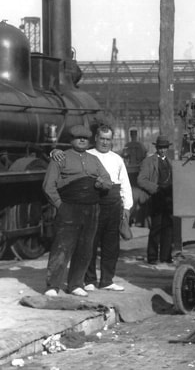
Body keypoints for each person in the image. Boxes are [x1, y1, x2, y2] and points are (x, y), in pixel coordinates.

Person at [42, 124, 112, 297]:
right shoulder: (60, 158)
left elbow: (108, 180)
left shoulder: (94, 160)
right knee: (62, 247)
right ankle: (53, 285)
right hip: (69, 207)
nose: (82, 140)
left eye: (85, 138)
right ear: (71, 140)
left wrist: (101, 183)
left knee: (85, 247)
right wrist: (60, 205)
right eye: (78, 138)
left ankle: (75, 284)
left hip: (92, 208)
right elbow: (48, 186)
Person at [84, 124, 132, 291]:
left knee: (111, 245)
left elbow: (125, 184)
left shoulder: (117, 159)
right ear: (96, 138)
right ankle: (89, 280)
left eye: (108, 139)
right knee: (90, 242)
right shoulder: (87, 155)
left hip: (113, 205)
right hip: (93, 204)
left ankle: (107, 280)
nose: (105, 142)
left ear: (112, 141)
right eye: (102, 139)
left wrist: (126, 207)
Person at [138, 135, 175, 264]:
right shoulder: (149, 161)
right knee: (156, 228)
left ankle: (166, 257)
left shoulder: (171, 162)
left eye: (165, 148)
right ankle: (152, 257)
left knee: (169, 228)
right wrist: (156, 188)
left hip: (170, 199)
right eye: (160, 148)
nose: (163, 150)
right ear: (157, 148)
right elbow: (141, 180)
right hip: (156, 198)